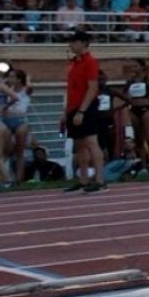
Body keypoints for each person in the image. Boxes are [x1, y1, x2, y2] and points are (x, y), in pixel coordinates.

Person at [60, 29, 107, 193]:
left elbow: (92, 87)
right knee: (79, 144)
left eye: (74, 42)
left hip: (85, 106)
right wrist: (66, 111)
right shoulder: (74, 63)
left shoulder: (90, 62)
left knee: (91, 141)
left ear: (83, 43)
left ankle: (100, 180)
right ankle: (84, 179)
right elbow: (71, 89)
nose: (71, 45)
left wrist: (82, 111)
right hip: (73, 106)